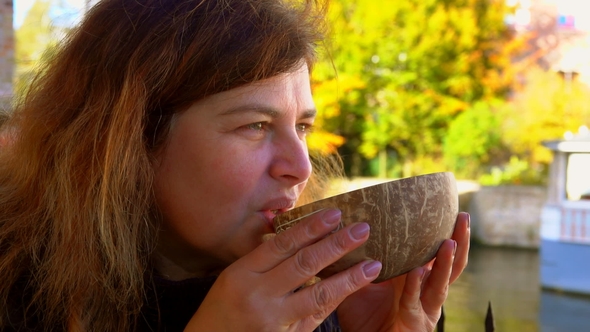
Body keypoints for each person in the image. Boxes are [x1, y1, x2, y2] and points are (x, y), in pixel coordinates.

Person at [0, 0, 470, 331]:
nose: (301, 167)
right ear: (129, 142)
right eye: (256, 126)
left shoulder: (303, 305)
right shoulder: (17, 298)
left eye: (302, 127)